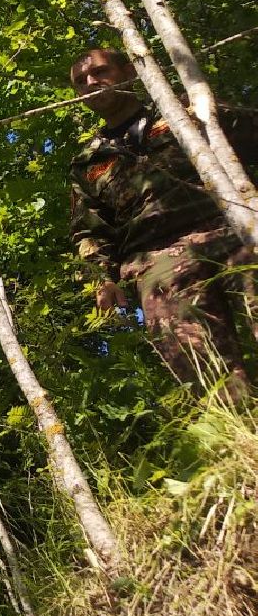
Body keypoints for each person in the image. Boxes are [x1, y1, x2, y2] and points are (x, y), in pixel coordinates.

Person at [68, 47, 257, 392]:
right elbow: (88, 230)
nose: (91, 82)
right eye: (81, 81)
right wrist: (101, 279)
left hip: (230, 227)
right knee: (205, 378)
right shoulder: (87, 162)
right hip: (155, 262)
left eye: (100, 71)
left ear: (128, 72)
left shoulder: (182, 109)